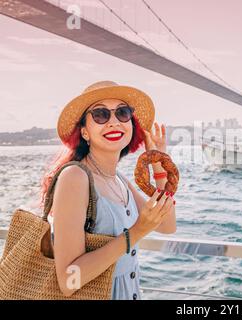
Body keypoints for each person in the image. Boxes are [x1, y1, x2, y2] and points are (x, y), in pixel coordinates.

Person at [40, 81, 176, 300]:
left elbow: (167, 225)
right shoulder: (75, 178)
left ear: (131, 125)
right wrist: (137, 232)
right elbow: (68, 281)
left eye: (122, 113)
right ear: (84, 132)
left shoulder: (120, 180)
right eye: (101, 115)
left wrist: (158, 162)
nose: (114, 122)